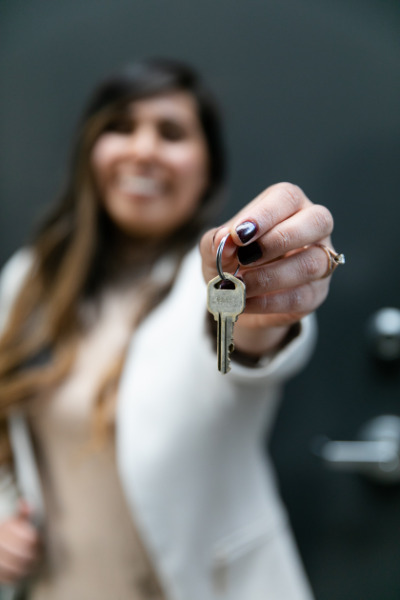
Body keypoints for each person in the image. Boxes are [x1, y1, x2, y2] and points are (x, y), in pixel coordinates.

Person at [0, 57, 341, 600]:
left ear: (206, 169)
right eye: (120, 127)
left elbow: (250, 345)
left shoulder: (216, 279)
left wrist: (268, 306)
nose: (143, 149)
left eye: (172, 132)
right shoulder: (29, 280)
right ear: (91, 151)